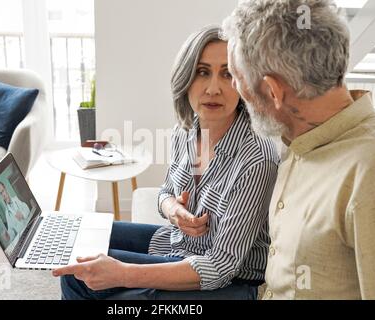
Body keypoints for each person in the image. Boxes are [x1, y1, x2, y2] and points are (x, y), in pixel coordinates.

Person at [52, 25, 279, 300]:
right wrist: (172, 209)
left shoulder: (257, 159)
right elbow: (166, 192)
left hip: (230, 283)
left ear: (243, 82)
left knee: (81, 277)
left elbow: (221, 266)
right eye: (202, 72)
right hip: (178, 246)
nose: (213, 88)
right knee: (86, 239)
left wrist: (122, 273)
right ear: (186, 78)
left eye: (227, 73)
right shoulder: (184, 130)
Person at [222, 0, 375, 299]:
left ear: (273, 91)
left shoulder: (371, 172)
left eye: (236, 77)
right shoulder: (298, 139)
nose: (234, 89)